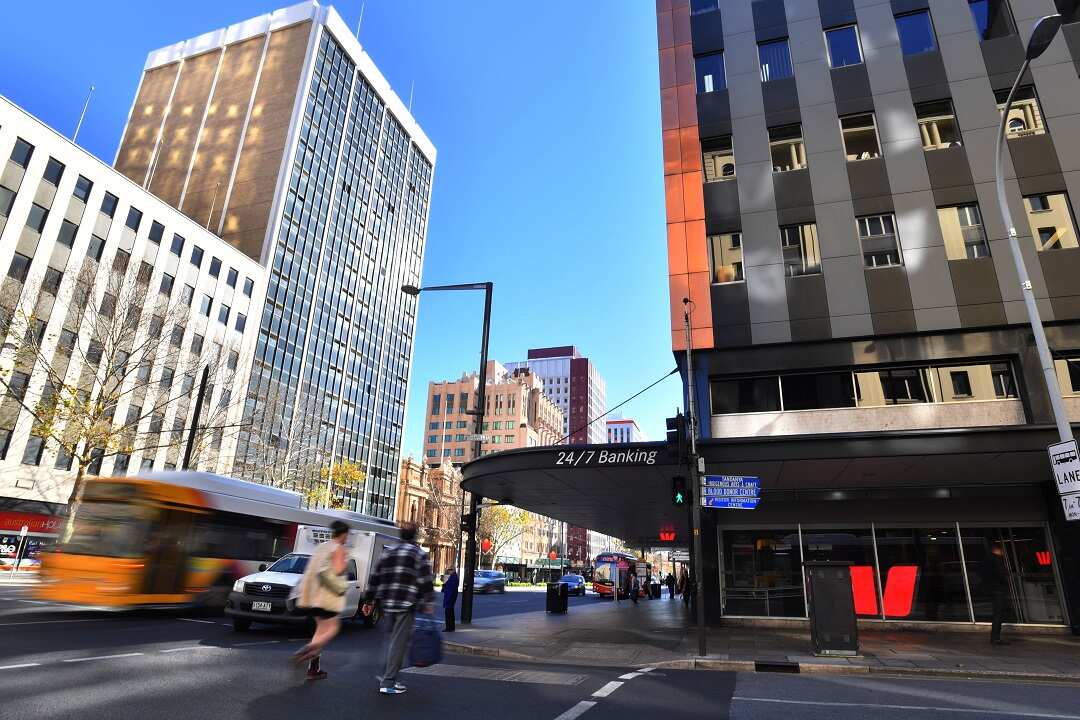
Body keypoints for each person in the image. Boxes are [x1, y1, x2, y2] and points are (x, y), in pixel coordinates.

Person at [362, 523, 435, 696]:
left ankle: (387, 674)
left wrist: (369, 600)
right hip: (406, 603)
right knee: (398, 643)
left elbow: (375, 577)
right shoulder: (418, 554)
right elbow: (425, 580)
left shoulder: (388, 552)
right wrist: (429, 601)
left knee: (391, 640)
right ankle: (388, 682)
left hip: (388, 602)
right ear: (415, 536)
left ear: (401, 535)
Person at [292, 520, 349, 681]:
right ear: (343, 534)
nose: (347, 538)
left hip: (313, 597)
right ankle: (305, 651)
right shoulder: (338, 548)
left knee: (320, 632)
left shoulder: (322, 547)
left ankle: (313, 669)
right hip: (327, 597)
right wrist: (344, 564)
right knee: (332, 629)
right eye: (347, 535)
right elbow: (338, 571)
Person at [442, 567, 459, 632]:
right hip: (450, 597)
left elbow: (450, 588)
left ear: (453, 570)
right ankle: (451, 627)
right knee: (450, 612)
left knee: (448, 613)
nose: (448, 571)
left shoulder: (453, 578)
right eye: (448, 570)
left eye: (449, 570)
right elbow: (446, 586)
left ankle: (449, 627)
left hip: (450, 597)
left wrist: (444, 584)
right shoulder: (452, 577)